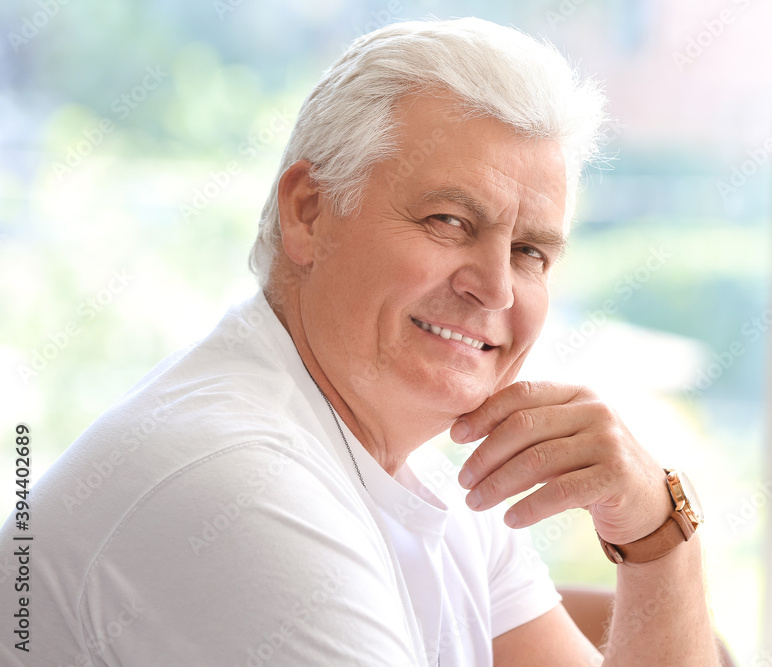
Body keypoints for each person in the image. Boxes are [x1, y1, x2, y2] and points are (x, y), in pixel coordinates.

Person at [0, 18, 719, 666]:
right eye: (449, 221)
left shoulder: (428, 482)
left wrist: (657, 536)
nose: (496, 287)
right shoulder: (238, 488)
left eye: (531, 250)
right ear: (309, 212)